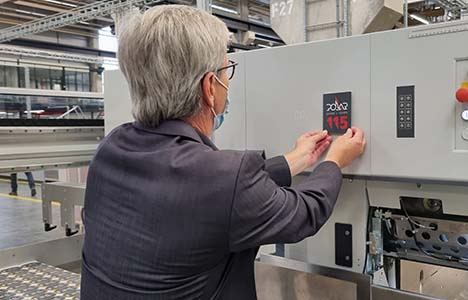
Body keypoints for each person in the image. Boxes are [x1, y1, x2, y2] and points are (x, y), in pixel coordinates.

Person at [80, 5, 366, 300]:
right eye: (226, 70)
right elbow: (304, 213)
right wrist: (335, 160)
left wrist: (295, 161)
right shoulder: (223, 177)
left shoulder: (109, 150)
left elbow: (201, 190)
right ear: (209, 87)